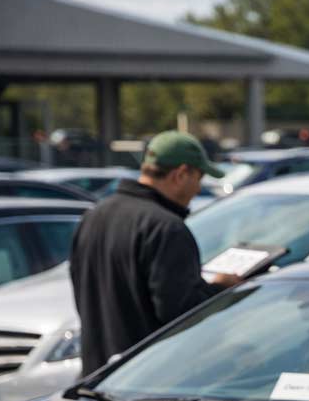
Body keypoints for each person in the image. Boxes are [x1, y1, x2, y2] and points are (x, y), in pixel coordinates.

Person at [70, 131, 240, 376]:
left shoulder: (95, 215)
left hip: (97, 378)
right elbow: (181, 314)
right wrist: (221, 289)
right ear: (181, 174)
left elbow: (82, 292)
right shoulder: (166, 227)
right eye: (199, 177)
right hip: (148, 383)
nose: (198, 188)